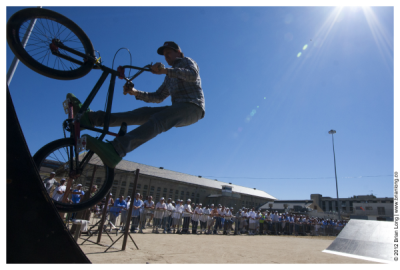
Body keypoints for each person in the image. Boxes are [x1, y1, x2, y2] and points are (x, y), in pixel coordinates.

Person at [67, 41, 205, 169]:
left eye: (169, 53)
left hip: (193, 107)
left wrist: (165, 71)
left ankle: (116, 149)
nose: (167, 57)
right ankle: (91, 119)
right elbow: (158, 97)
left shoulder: (187, 61)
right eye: (164, 55)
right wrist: (135, 92)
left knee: (159, 120)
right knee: (139, 113)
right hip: (178, 108)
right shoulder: (168, 77)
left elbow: (192, 75)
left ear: (179, 52)